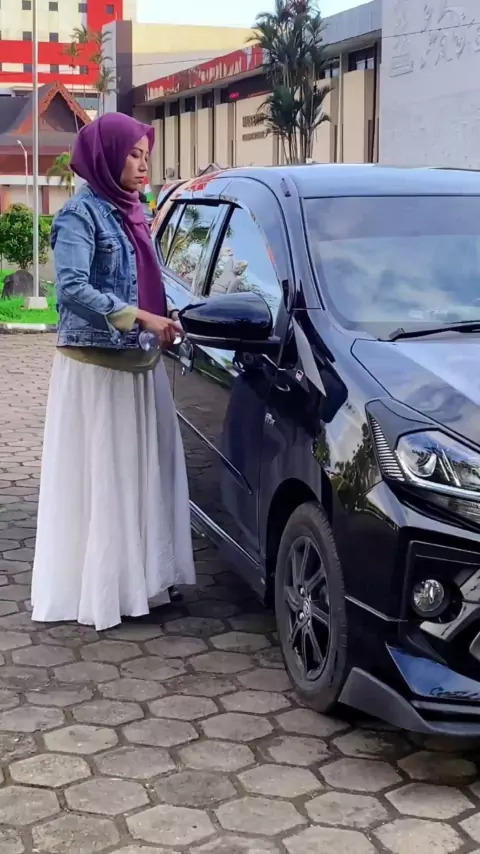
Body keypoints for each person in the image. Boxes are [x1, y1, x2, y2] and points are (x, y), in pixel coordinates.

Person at [31, 113, 196, 631]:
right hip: (98, 369)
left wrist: (166, 316)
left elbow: (148, 279)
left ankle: (142, 582)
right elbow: (71, 289)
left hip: (140, 362)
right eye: (133, 154)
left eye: (147, 155)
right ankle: (105, 591)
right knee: (106, 480)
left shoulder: (135, 211)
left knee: (142, 476)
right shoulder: (80, 215)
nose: (144, 165)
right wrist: (140, 317)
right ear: (106, 158)